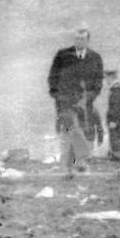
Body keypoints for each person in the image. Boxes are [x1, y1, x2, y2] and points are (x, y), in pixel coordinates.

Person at [47, 24, 104, 172]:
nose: (79, 42)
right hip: (65, 101)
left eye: (82, 39)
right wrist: (57, 96)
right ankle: (78, 160)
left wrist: (88, 98)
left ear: (88, 41)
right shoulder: (62, 55)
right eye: (76, 39)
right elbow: (52, 77)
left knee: (77, 132)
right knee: (70, 129)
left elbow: (98, 84)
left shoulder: (95, 58)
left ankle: (76, 165)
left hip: (85, 103)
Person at [105, 69, 120, 161]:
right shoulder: (117, 88)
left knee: (115, 139)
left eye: (106, 78)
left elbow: (116, 106)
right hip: (119, 119)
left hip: (116, 120)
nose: (105, 81)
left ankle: (117, 157)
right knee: (117, 139)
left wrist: (113, 120)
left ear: (110, 77)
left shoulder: (116, 89)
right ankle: (117, 156)